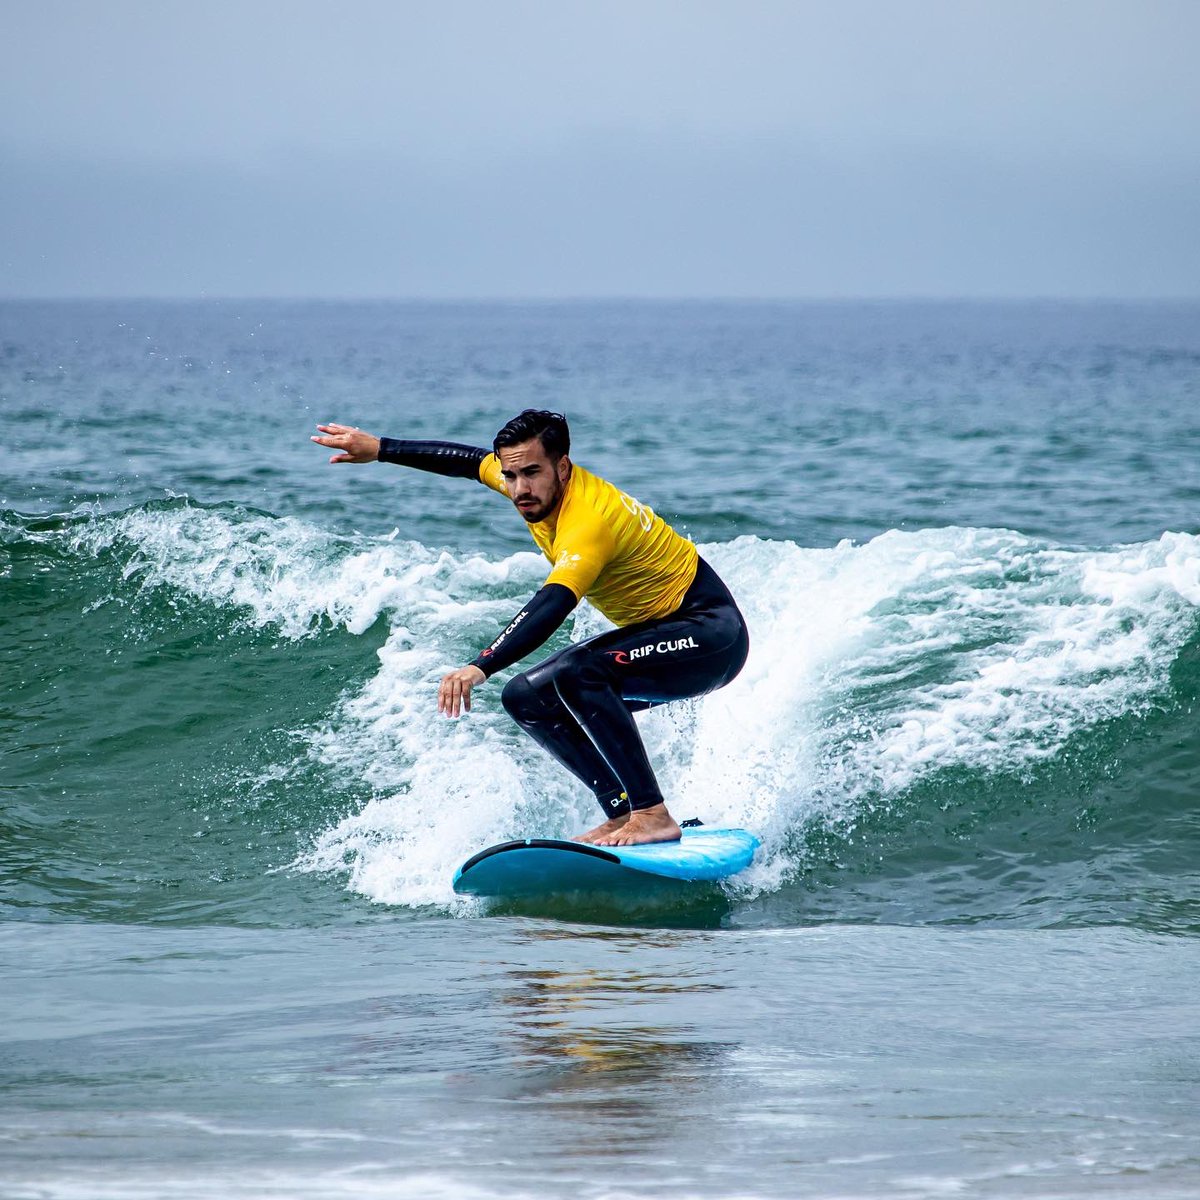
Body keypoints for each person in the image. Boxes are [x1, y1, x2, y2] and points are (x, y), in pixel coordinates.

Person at [311, 410, 749, 847]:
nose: (519, 488)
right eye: (511, 475)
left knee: (580, 672)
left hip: (711, 637)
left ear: (563, 467)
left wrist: (480, 665)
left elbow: (554, 602)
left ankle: (651, 814)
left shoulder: (589, 520)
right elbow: (465, 461)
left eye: (532, 473)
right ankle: (621, 813)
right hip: (662, 637)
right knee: (527, 697)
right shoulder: (527, 484)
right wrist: (382, 449)